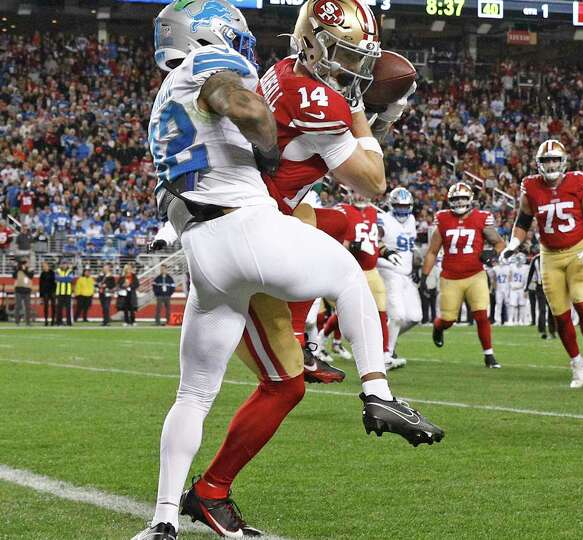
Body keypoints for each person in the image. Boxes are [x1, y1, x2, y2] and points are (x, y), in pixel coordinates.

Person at [133, 3, 442, 539]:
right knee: (348, 274)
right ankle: (379, 395)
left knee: (194, 395)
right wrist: (269, 144)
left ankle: (163, 521)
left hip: (204, 246)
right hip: (244, 226)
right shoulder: (214, 68)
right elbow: (240, 105)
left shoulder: (168, 96)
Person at [501, 140, 583, 388]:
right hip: (549, 256)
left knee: (582, 305)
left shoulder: (578, 181)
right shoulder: (530, 186)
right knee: (560, 316)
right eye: (546, 160)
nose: (551, 164)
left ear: (563, 162)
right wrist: (513, 244)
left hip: (578, 252)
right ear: (539, 163)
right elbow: (523, 221)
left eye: (555, 160)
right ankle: (577, 363)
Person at [423, 182, 506, 368]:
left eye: (462, 198)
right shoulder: (443, 219)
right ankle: (438, 327)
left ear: (470, 199)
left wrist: (492, 254)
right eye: (455, 198)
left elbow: (500, 244)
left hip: (475, 275)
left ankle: (489, 355)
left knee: (481, 315)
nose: (459, 201)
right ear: (449, 201)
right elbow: (432, 251)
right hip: (450, 277)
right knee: (448, 320)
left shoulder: (481, 218)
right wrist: (424, 276)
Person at [377, 187, 422, 365]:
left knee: (414, 317)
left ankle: (384, 344)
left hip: (406, 273)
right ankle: (385, 355)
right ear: (391, 205)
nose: (402, 209)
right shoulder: (384, 219)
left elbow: (410, 248)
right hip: (388, 270)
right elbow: (377, 237)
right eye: (398, 206)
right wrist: (385, 250)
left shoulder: (411, 220)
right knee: (397, 316)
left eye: (406, 206)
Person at [12, 258, 33, 326]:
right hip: (18, 290)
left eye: (26, 262)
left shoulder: (30, 269)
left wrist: (24, 269)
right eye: (24, 263)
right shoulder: (18, 269)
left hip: (27, 290)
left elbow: (30, 276)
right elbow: (14, 276)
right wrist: (18, 268)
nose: (25, 264)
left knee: (28, 307)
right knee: (18, 306)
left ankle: (28, 322)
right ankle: (17, 322)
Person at [54, 260, 75, 326]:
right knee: (59, 308)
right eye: (63, 264)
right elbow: (56, 278)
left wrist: (61, 279)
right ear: (60, 264)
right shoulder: (57, 270)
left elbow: (70, 279)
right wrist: (65, 279)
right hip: (59, 293)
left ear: (67, 264)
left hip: (68, 293)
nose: (64, 265)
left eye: (65, 264)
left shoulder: (70, 271)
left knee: (68, 308)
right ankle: (58, 322)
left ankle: (69, 322)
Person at [38, 262, 55, 326]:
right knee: (46, 307)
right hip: (45, 292)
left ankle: (53, 320)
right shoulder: (42, 274)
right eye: (43, 266)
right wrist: (41, 295)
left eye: (45, 266)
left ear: (48, 266)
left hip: (52, 291)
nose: (44, 267)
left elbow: (55, 282)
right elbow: (40, 284)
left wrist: (55, 291)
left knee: (53, 306)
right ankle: (46, 320)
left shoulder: (52, 273)